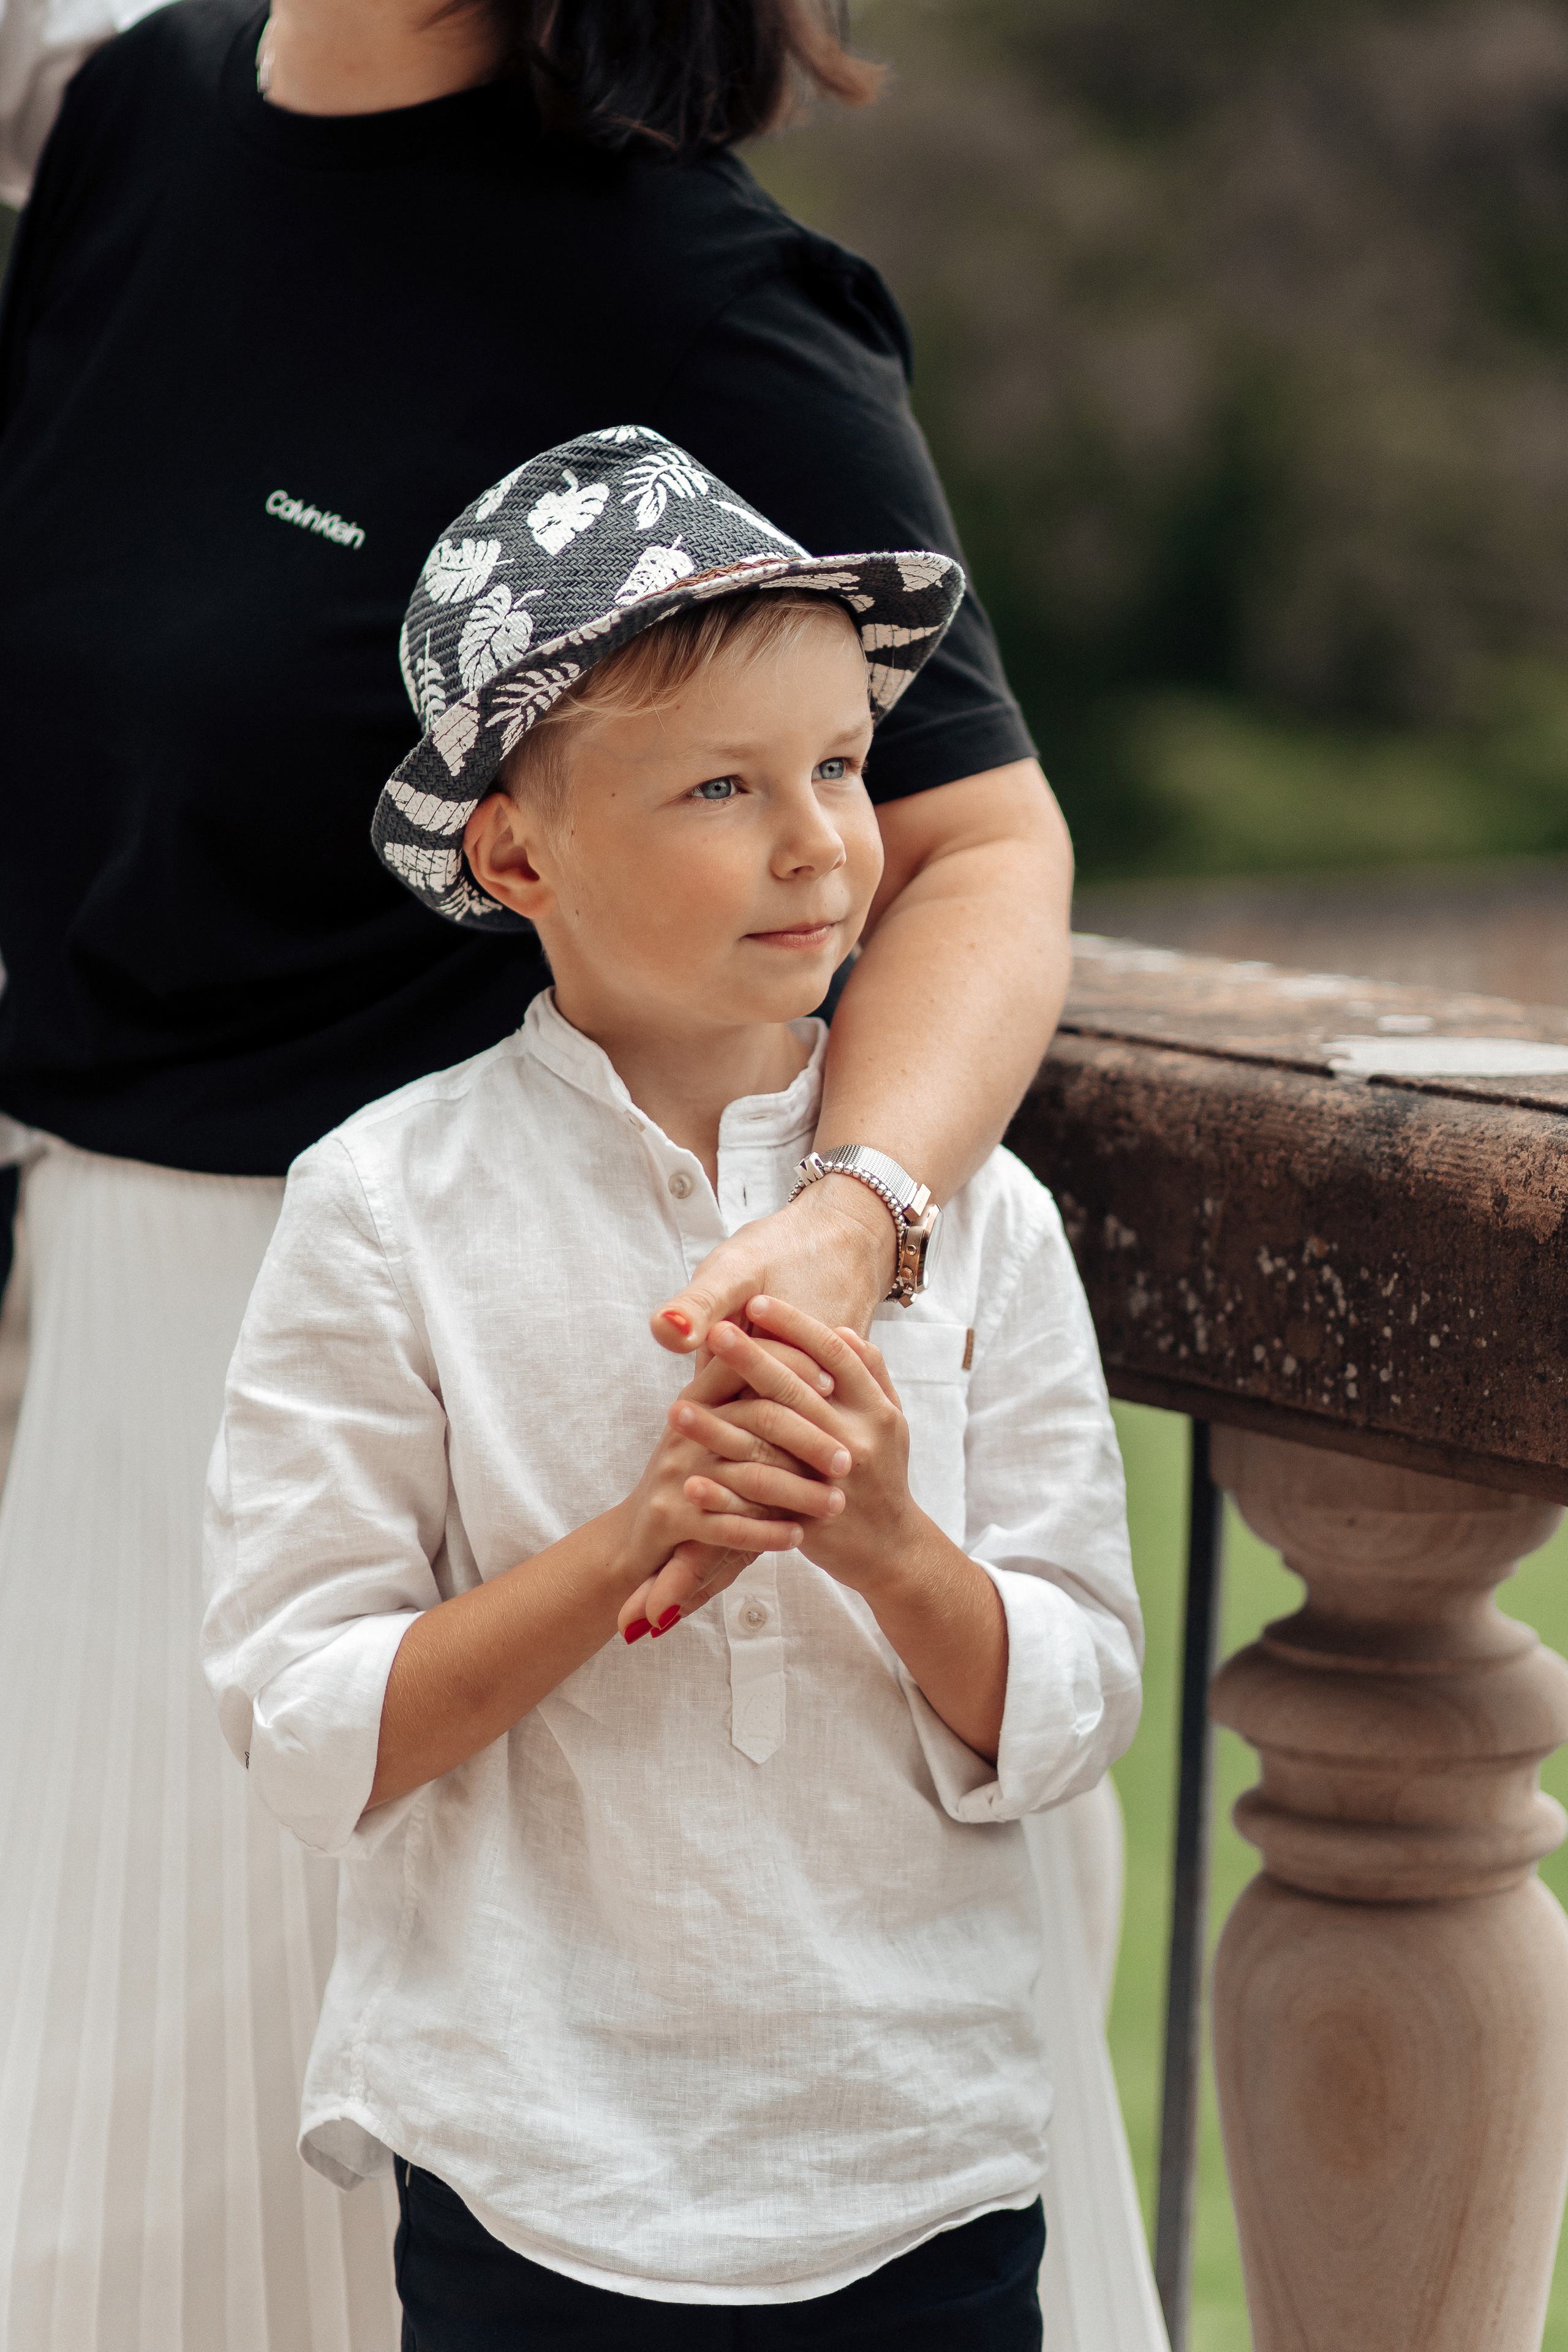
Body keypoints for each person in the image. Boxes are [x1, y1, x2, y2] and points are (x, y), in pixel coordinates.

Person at [0, 7, 1098, 2350]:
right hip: (127, 1400)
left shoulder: (693, 290)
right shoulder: (131, 125)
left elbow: (982, 847)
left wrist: (850, 1224)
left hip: (517, 1416)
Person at [201, 433, 1144, 2350]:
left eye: (841, 766)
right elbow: (303, 1725)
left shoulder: (973, 1210)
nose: (820, 842)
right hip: (531, 2170)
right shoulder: (385, 1205)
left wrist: (887, 1548)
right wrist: (639, 1539)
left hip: (923, 2168)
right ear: (517, 855)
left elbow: (1081, 1701)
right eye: (725, 784)